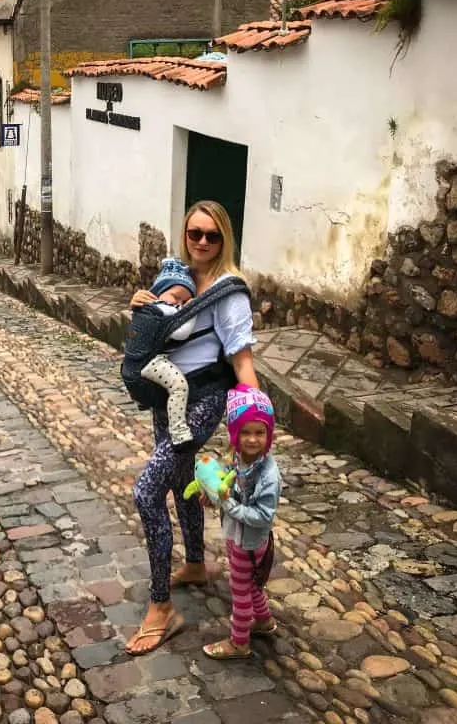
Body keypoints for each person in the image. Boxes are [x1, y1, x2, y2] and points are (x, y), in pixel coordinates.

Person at [125, 200, 260, 657]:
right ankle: (198, 564)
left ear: (225, 239)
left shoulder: (228, 291)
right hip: (166, 399)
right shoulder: (179, 278)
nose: (201, 242)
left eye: (211, 236)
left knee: (147, 492)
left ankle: (161, 607)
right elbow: (160, 326)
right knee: (181, 478)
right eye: (194, 233)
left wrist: (255, 425)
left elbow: (242, 359)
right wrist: (143, 303)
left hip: (201, 400)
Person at [203, 386, 280, 659]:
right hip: (237, 536)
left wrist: (229, 505)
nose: (252, 439)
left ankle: (239, 642)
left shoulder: (268, 476)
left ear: (268, 434)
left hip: (249, 542)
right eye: (245, 432)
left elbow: (262, 516)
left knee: (240, 591)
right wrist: (214, 498)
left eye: (259, 433)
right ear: (234, 434)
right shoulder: (241, 460)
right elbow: (230, 488)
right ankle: (264, 621)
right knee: (251, 585)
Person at [121, 259, 200, 450]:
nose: (179, 304)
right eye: (176, 297)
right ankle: (179, 430)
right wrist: (192, 309)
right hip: (151, 361)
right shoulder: (161, 308)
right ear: (159, 292)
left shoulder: (149, 308)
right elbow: (182, 333)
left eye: (185, 301)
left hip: (138, 363)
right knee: (179, 386)